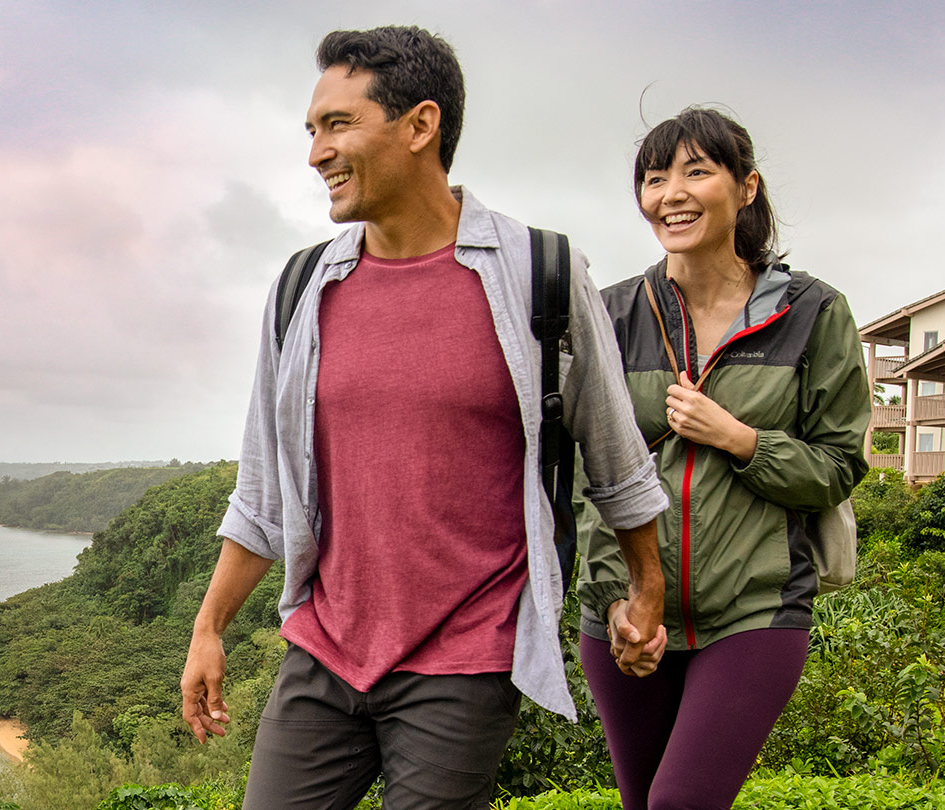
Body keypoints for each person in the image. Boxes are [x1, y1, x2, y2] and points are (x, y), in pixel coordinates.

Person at [179, 26, 670, 810]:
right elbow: (265, 492)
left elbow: (616, 458)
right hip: (324, 651)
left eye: (339, 125)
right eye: (312, 130)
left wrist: (647, 590)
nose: (316, 153)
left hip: (465, 660)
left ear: (420, 125)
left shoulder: (538, 273)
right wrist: (209, 628)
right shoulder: (303, 287)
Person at [577, 107, 871, 810]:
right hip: (626, 614)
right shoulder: (611, 315)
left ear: (746, 189)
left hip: (755, 610)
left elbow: (837, 466)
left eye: (696, 172)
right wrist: (620, 604)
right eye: (654, 178)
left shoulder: (813, 313)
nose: (670, 193)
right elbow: (590, 479)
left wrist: (742, 440)